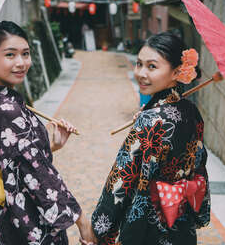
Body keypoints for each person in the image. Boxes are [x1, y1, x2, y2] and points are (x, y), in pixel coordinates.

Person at [0, 21, 97, 245]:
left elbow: (13, 156)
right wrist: (81, 220)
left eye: (25, 54)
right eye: (10, 55)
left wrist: (49, 145)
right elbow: (38, 173)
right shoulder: (6, 109)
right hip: (23, 217)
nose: (21, 63)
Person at [90, 32, 210, 245]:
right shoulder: (192, 112)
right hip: (181, 221)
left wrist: (100, 229)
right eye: (138, 64)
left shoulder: (150, 120)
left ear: (176, 71)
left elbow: (121, 180)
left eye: (152, 66)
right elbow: (199, 166)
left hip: (146, 226)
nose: (141, 73)